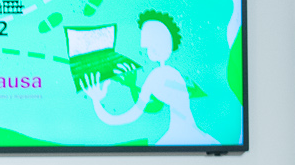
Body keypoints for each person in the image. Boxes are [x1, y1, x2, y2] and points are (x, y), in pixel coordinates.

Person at [86, 9, 214, 146]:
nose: (151, 50)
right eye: (148, 46)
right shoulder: (157, 76)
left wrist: (97, 100)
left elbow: (140, 111)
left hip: (187, 137)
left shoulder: (166, 75)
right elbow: (133, 114)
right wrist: (97, 101)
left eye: (156, 43)